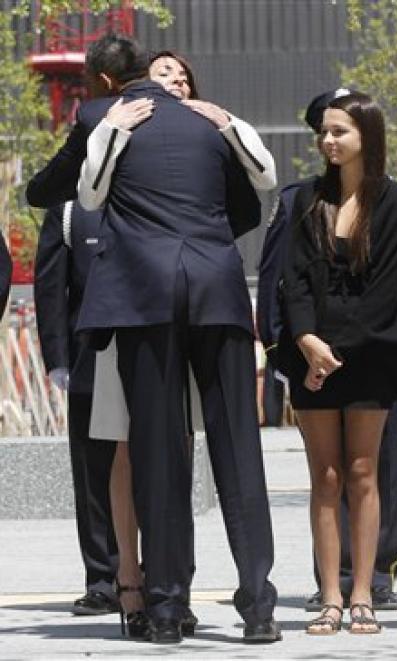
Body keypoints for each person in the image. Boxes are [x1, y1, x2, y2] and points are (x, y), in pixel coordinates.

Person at [27, 33, 280, 645]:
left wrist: (110, 132)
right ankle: (259, 605)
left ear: (105, 81)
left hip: (144, 298)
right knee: (238, 450)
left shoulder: (100, 116)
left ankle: (164, 610)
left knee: (158, 454)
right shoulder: (207, 122)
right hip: (217, 290)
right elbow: (256, 195)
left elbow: (85, 195)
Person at [280, 90, 397, 634]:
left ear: (368, 136)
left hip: (371, 356)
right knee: (325, 477)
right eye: (325, 132)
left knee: (363, 473)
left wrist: (332, 353)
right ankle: (330, 595)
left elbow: (386, 294)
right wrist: (307, 343)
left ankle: (363, 592)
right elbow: (293, 281)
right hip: (313, 355)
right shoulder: (305, 199)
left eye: (340, 131)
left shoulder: (396, 201)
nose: (328, 140)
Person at [34, 201, 119, 617]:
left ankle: (160, 576)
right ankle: (103, 579)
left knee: (156, 471)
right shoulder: (68, 209)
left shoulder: (153, 190)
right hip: (88, 360)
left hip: (153, 356)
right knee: (92, 474)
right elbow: (51, 286)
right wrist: (57, 359)